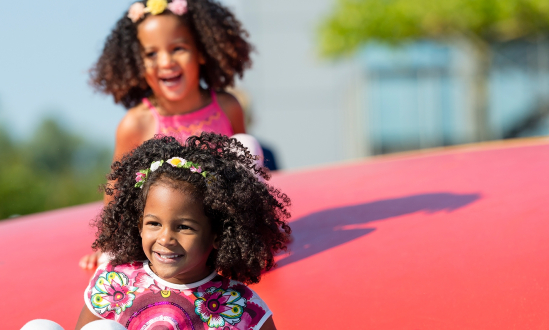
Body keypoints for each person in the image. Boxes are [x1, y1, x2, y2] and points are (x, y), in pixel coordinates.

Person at [22, 133, 291, 330]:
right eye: (153, 223)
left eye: (184, 227)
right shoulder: (115, 282)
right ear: (138, 225)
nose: (165, 239)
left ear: (218, 235)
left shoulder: (240, 307)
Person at [80, 0, 262, 269]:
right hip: (167, 238)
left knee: (246, 145)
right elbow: (115, 190)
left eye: (178, 48)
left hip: (217, 232)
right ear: (136, 63)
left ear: (201, 51)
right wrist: (108, 243)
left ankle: (247, 240)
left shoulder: (227, 107)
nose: (165, 62)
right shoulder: (137, 123)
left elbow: (247, 176)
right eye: (151, 54)